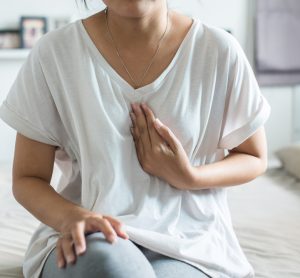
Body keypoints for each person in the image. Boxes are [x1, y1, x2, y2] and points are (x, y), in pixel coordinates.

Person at [0, 0, 271, 277]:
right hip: (93, 238)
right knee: (114, 267)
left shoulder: (218, 50)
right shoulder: (55, 53)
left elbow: (254, 156)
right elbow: (27, 178)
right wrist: (72, 217)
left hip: (190, 246)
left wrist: (189, 177)